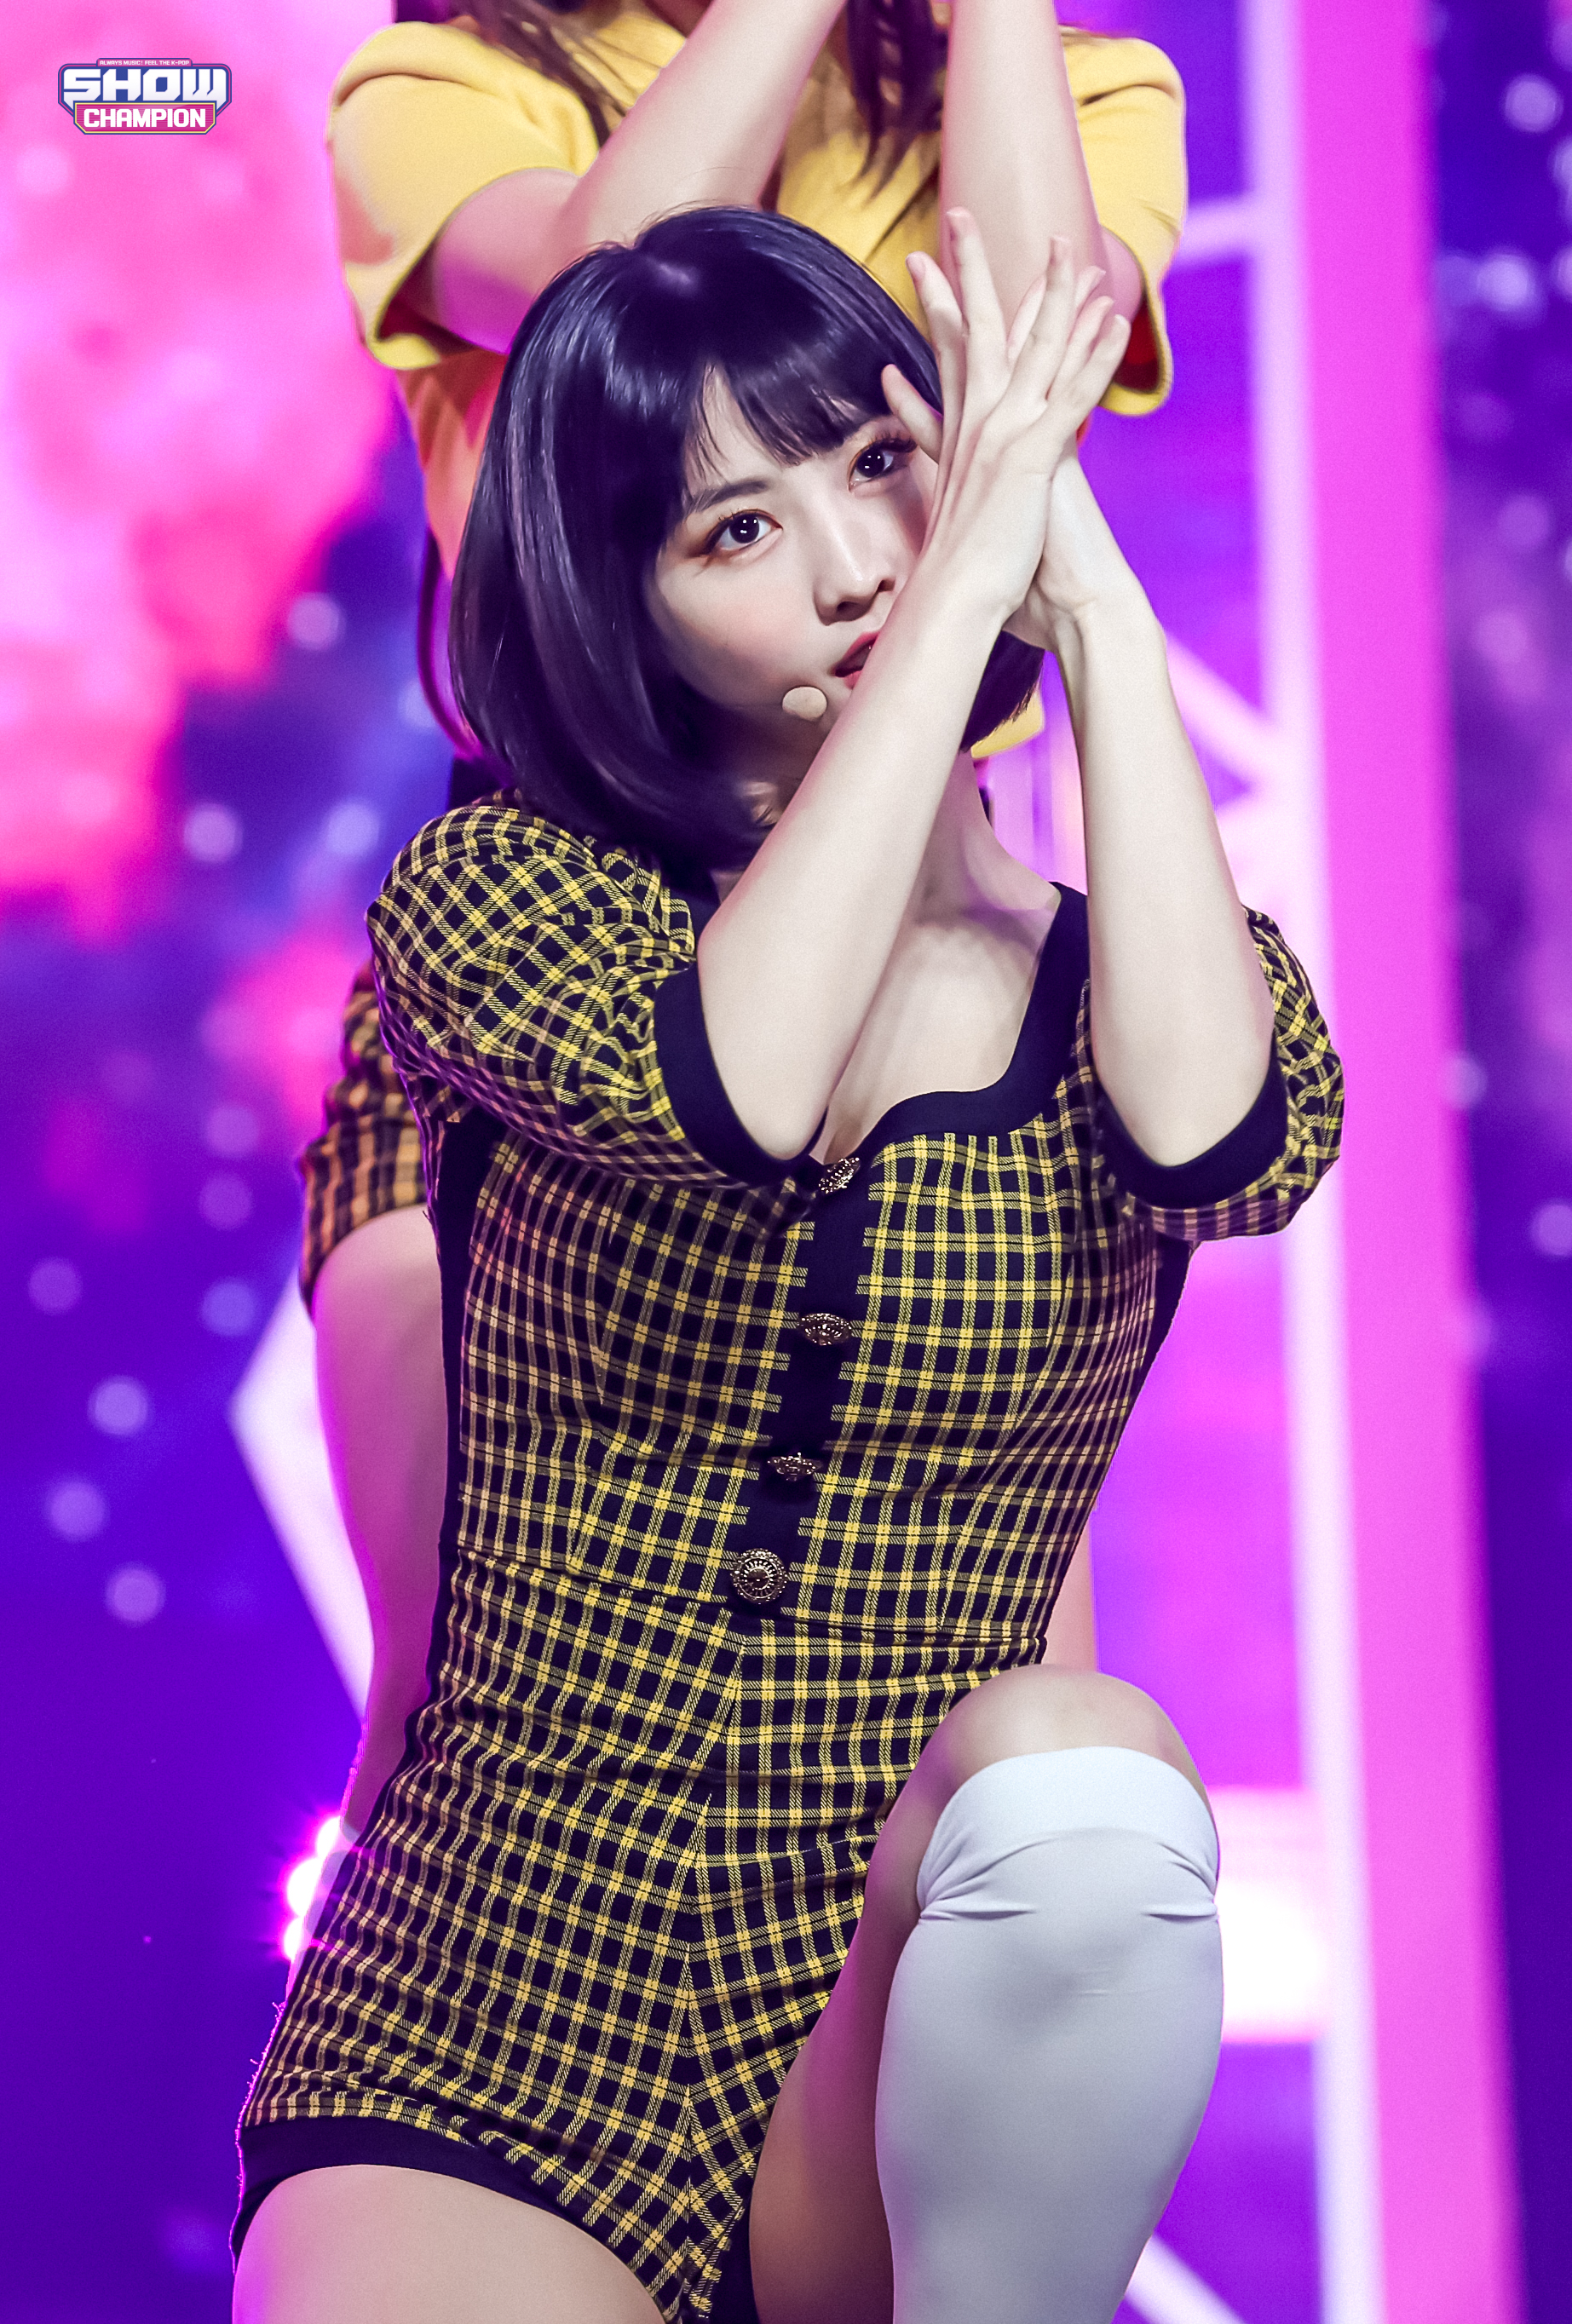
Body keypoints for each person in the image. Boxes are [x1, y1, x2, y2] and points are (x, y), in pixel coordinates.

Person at [234, 208, 1343, 2324]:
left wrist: (1091, 609)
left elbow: (1230, 1149)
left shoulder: (1148, 983)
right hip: (491, 2004)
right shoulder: (498, 903)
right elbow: (723, 1088)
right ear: (626, 608)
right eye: (735, 529)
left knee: (1087, 1774)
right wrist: (949, 612)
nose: (853, 562)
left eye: (883, 465)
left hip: (886, 2010)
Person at [308, 0, 1189, 1841]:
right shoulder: (450, 89)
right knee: (459, 1700)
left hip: (947, 943)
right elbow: (602, 309)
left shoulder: (1075, 85)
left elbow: (1034, 369)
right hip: (556, 958)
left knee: (998, 1737)